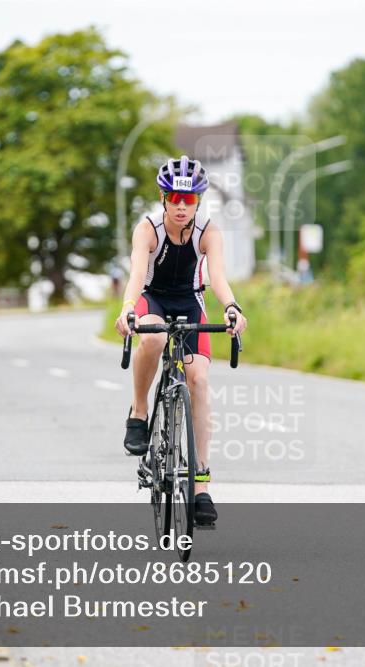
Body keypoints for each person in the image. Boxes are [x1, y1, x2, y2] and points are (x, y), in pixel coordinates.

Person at [114, 155, 248, 527]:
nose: (181, 207)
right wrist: (128, 309)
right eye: (174, 198)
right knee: (154, 338)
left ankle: (200, 486)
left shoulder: (209, 232)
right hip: (152, 298)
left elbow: (217, 277)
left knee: (199, 380)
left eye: (188, 200)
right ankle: (139, 410)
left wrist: (232, 307)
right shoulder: (148, 229)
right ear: (163, 198)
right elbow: (136, 274)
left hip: (190, 302)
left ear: (198, 201)